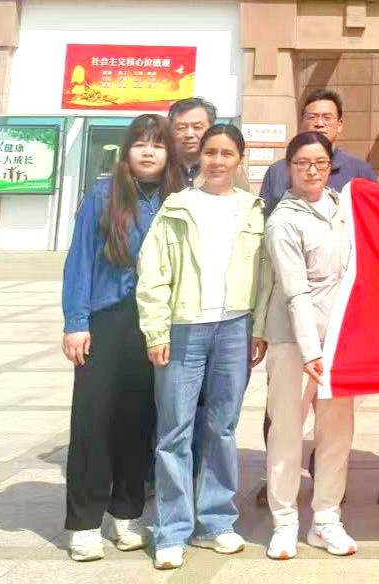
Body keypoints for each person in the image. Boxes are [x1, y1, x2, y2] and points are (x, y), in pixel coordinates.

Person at [137, 123, 267, 571]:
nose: (217, 161)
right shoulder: (177, 207)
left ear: (239, 160)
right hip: (184, 328)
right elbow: (153, 272)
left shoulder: (253, 209)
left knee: (222, 428)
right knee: (174, 431)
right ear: (200, 158)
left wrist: (258, 328)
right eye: (211, 152)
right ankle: (171, 530)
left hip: (233, 328)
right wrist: (157, 331)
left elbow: (265, 277)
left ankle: (214, 522)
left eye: (227, 153)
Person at [61, 114, 183, 562]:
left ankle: (126, 513)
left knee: (139, 419)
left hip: (156, 322)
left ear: (169, 154)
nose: (148, 152)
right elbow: (80, 260)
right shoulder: (102, 195)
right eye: (140, 144)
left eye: (158, 145)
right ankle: (84, 524)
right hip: (106, 317)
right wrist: (76, 321)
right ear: (127, 150)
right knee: (93, 421)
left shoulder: (178, 199)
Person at [256, 131, 360, 559]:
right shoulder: (283, 220)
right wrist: (310, 350)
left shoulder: (344, 209)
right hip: (294, 343)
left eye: (319, 162)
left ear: (330, 165)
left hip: (339, 341)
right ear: (289, 169)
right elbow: (294, 291)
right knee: (286, 432)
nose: (311, 170)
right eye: (302, 163)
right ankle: (284, 522)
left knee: (336, 433)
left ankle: (326, 520)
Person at [260, 88, 377, 216]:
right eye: (312, 117)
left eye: (327, 118)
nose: (319, 123)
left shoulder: (360, 172)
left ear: (339, 125)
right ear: (301, 123)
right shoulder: (277, 171)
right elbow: (265, 218)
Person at [167, 97, 217, 185]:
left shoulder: (222, 166)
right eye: (181, 128)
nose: (189, 134)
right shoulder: (160, 167)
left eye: (197, 127)